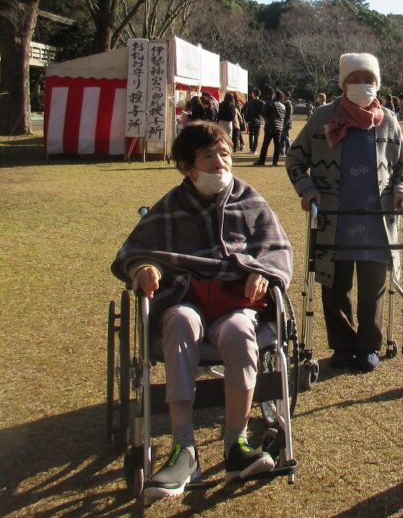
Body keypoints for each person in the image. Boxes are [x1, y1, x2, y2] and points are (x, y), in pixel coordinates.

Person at [111, 122, 293, 498]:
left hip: (234, 302)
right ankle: (184, 449)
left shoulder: (250, 199)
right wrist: (145, 267)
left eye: (225, 154)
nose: (219, 163)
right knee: (178, 322)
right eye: (208, 156)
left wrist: (264, 274)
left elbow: (277, 250)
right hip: (186, 298)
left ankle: (236, 445)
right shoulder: (172, 205)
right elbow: (133, 251)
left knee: (242, 335)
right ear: (187, 168)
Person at [286, 53, 403, 373]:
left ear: (377, 84)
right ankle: (342, 345)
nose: (362, 85)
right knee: (334, 285)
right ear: (343, 82)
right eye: (355, 79)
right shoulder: (322, 117)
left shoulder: (388, 119)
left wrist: (401, 192)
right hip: (334, 220)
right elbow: (295, 159)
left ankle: (369, 345)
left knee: (374, 287)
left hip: (376, 220)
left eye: (368, 80)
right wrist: (307, 190)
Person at [253, 90, 287, 167]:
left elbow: (264, 114)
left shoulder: (270, 103)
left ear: (275, 95)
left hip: (270, 126)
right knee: (277, 146)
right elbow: (283, 117)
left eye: (273, 94)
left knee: (265, 145)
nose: (272, 95)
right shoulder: (283, 106)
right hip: (279, 128)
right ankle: (275, 162)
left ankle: (262, 161)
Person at [242, 89, 265, 154]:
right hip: (259, 121)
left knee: (251, 134)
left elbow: (243, 110)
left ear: (253, 94)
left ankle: (251, 149)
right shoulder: (262, 103)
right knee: (256, 135)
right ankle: (254, 150)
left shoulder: (249, 102)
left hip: (250, 120)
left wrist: (247, 118)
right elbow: (265, 112)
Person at [279, 91, 293, 155]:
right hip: (282, 124)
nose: (282, 96)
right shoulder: (283, 103)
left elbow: (288, 116)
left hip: (286, 124)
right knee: (281, 138)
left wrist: (284, 124)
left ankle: (288, 151)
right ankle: (281, 152)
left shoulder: (289, 104)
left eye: (283, 95)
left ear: (287, 96)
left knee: (286, 138)